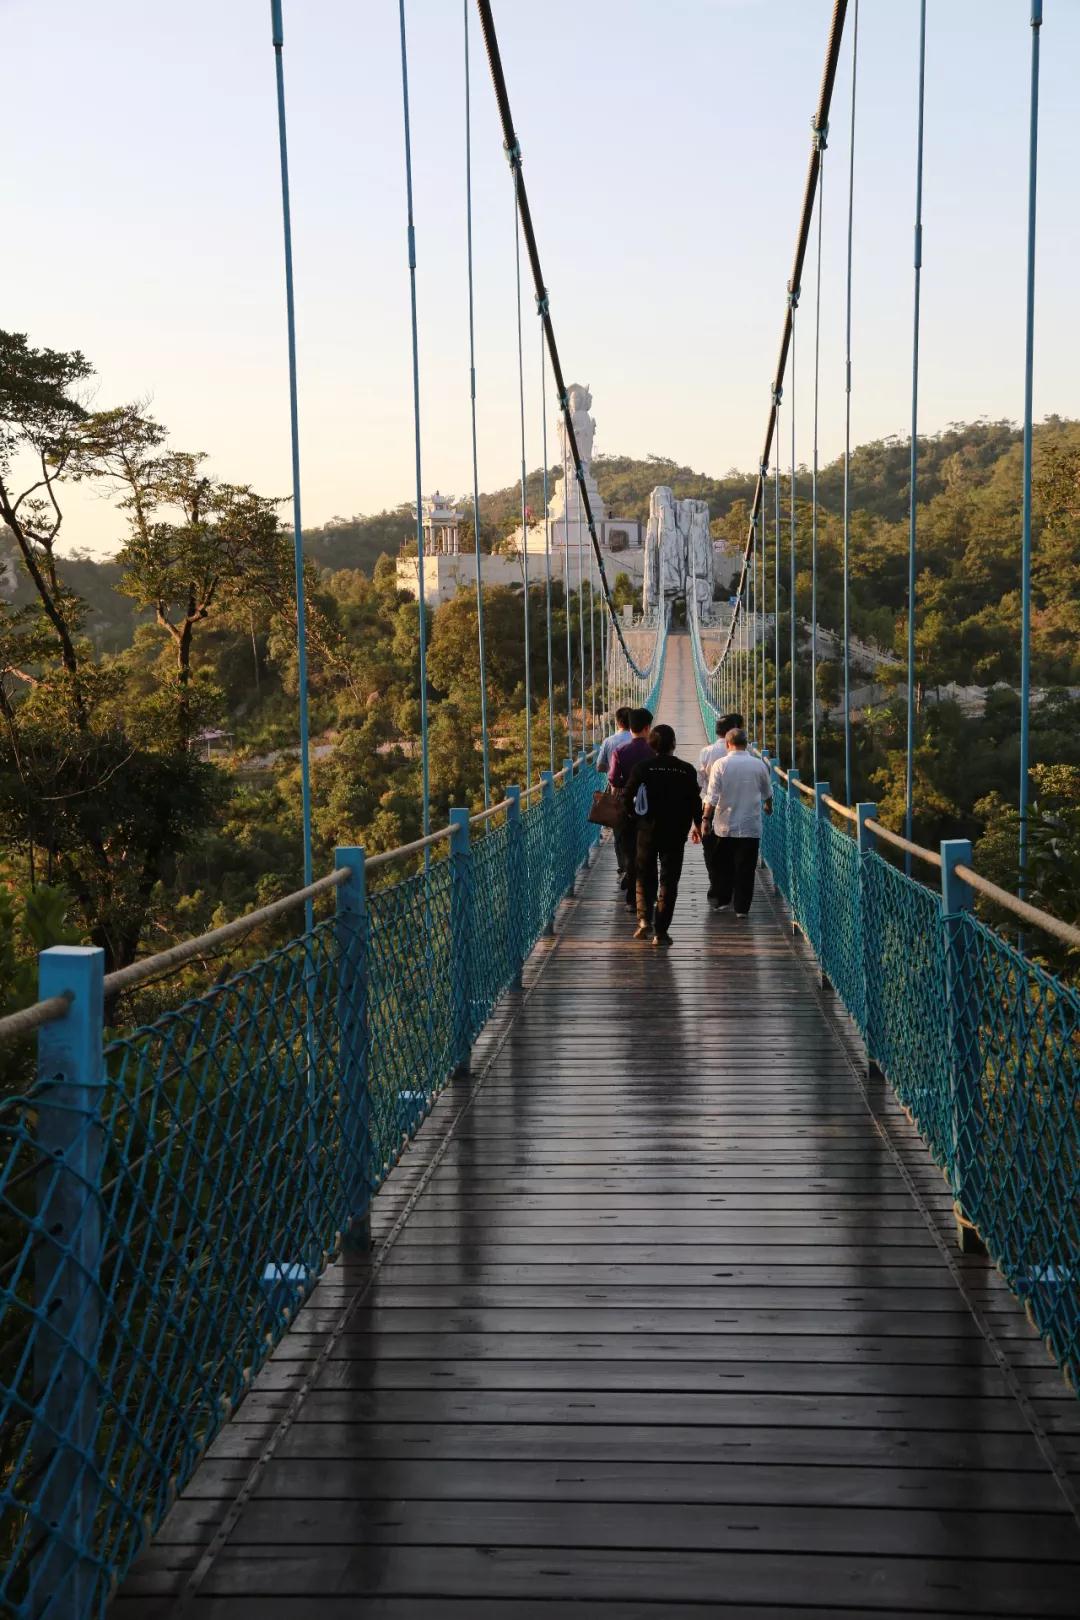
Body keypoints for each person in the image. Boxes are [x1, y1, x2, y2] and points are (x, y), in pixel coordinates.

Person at [622, 723, 703, 946]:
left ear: (651, 744)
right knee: (669, 880)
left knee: (644, 875)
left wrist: (635, 818)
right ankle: (661, 932)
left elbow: (627, 798)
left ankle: (643, 920)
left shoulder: (642, 768)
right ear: (674, 744)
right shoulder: (686, 770)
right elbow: (695, 801)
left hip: (647, 830)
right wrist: (698, 824)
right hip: (675, 833)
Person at [701, 728, 773, 917]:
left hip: (724, 825)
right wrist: (768, 806)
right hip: (750, 826)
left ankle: (722, 900)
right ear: (747, 743)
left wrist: (706, 819)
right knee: (746, 868)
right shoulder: (759, 765)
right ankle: (742, 908)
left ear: (727, 744)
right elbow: (768, 792)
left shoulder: (720, 764)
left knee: (722, 865)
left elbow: (712, 795)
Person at [609, 707, 654, 908]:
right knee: (649, 854)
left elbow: (613, 778)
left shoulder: (620, 751)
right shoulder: (654, 751)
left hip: (627, 808)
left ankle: (631, 900)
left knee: (630, 852)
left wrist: (627, 784)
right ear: (647, 728)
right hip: (652, 809)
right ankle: (648, 898)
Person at [697, 711, 743, 906]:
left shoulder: (706, 752)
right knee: (734, 850)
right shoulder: (744, 754)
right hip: (739, 808)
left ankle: (717, 888)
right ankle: (732, 887)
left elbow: (700, 781)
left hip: (710, 807)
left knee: (712, 851)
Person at [596, 707, 632, 777]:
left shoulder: (608, 741)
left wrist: (612, 769)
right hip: (635, 785)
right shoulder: (639, 741)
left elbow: (599, 767)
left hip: (615, 785)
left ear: (618, 722)